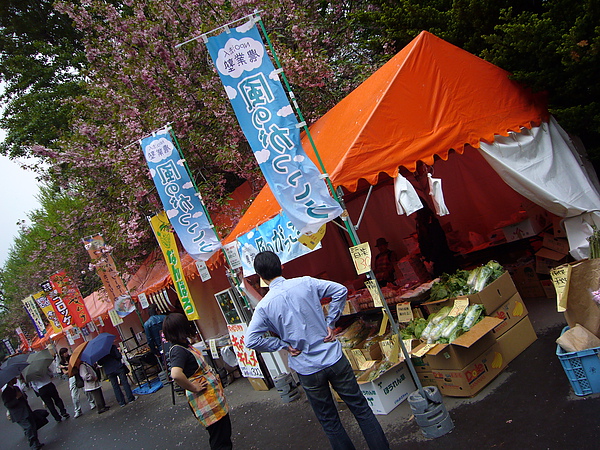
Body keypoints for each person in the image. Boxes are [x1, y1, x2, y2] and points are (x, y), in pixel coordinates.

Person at [246, 251, 389, 450]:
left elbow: (251, 340)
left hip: (306, 368)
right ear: (282, 267)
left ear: (260, 278)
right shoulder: (305, 283)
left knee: (330, 422)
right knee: (361, 409)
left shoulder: (264, 306)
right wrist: (331, 321)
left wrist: (281, 345)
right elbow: (340, 290)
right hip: (333, 357)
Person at [162, 313, 232, 450]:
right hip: (206, 401)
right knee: (220, 440)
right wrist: (193, 387)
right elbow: (175, 374)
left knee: (223, 435)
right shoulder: (178, 350)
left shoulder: (184, 346)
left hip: (211, 398)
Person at [415, 200, 458, 278]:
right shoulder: (419, 224)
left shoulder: (431, 221)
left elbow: (438, 242)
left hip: (442, 261)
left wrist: (431, 262)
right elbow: (422, 244)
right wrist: (425, 260)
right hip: (432, 262)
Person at [2, 377, 45, 449]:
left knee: (33, 426)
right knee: (28, 427)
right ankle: (33, 445)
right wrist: (16, 398)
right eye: (14, 378)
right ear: (10, 380)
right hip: (18, 414)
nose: (16, 379)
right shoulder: (6, 392)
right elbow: (8, 404)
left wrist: (23, 396)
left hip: (26, 410)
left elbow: (24, 398)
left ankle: (36, 442)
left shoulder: (16, 388)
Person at [58, 348, 95, 417]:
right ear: (62, 354)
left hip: (77, 375)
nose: (66, 353)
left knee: (86, 390)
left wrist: (65, 367)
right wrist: (67, 368)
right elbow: (65, 372)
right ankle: (77, 409)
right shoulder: (61, 362)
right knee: (74, 395)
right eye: (65, 353)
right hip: (71, 377)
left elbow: (75, 365)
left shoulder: (71, 358)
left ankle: (91, 402)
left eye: (66, 352)